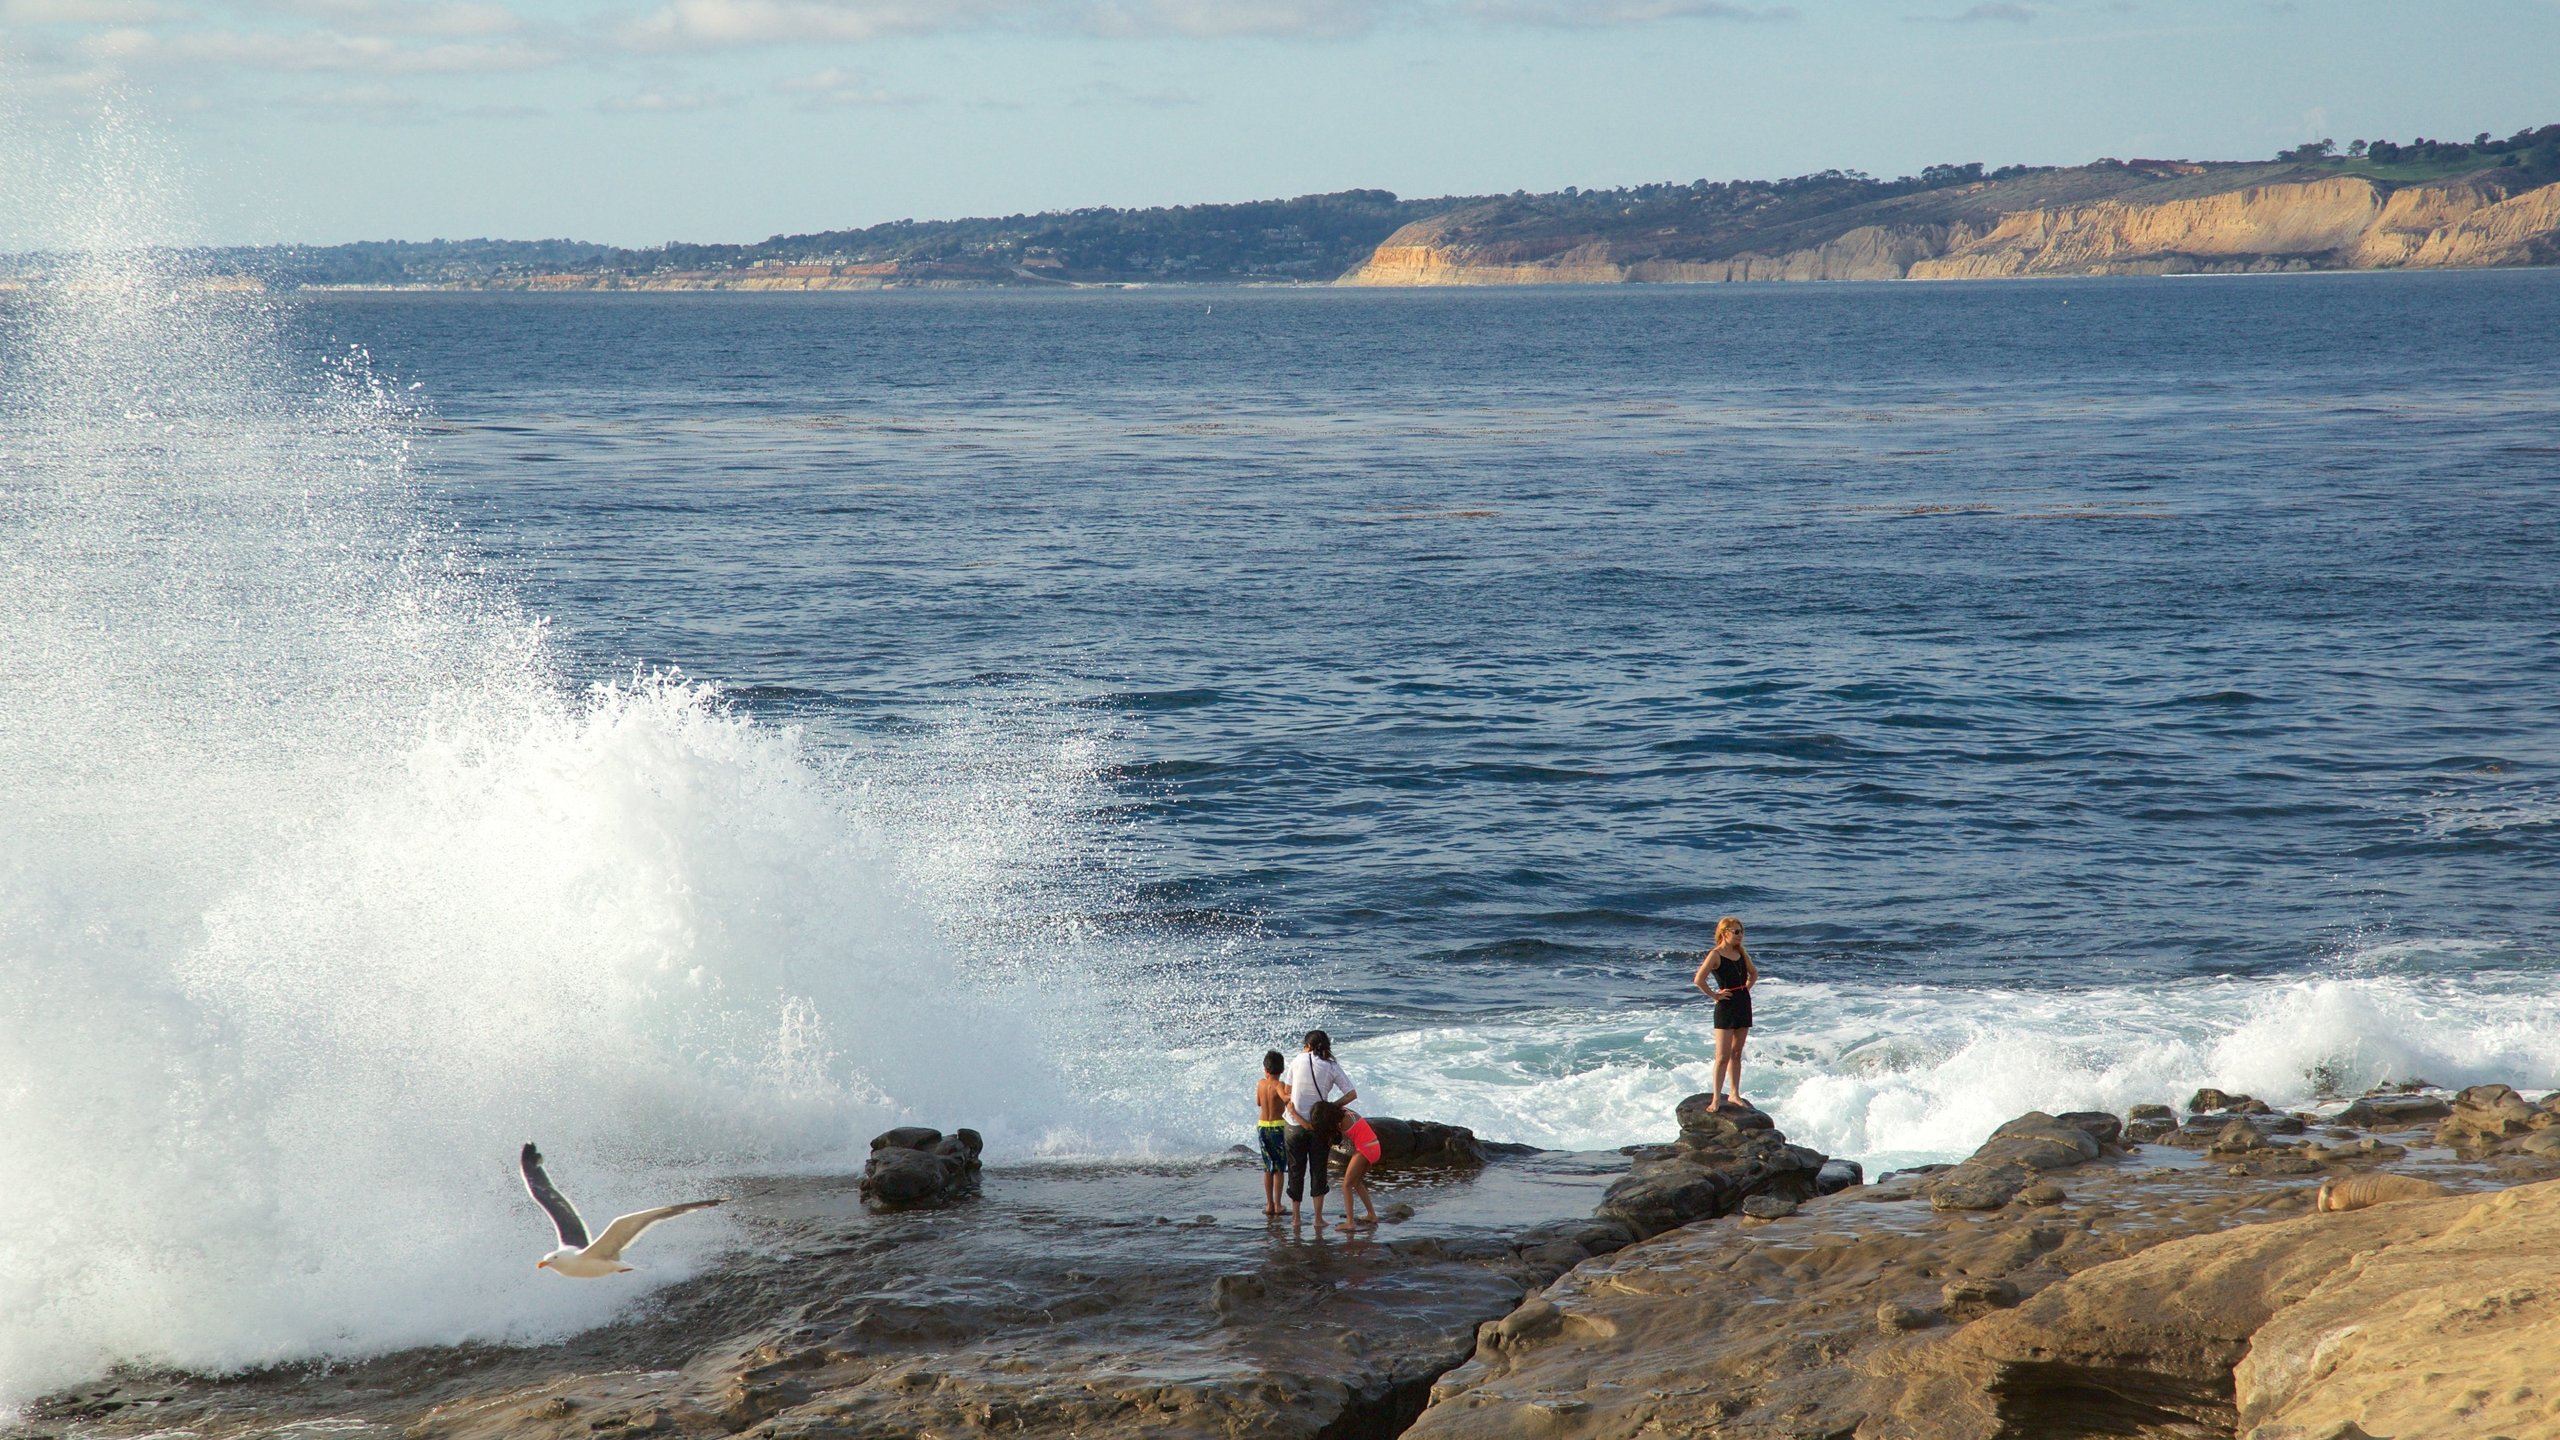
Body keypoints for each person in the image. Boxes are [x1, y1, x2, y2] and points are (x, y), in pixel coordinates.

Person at [1282, 1029, 1355, 1229]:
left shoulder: (1297, 1060)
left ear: (1308, 1046)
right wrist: (1331, 1107)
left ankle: (1296, 1218)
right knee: (1318, 1170)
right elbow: (1351, 1094)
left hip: (1294, 1125)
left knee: (1295, 1170)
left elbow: (1287, 1091)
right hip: (1320, 1127)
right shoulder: (1331, 1066)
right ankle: (1317, 1219)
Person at [1691, 916, 1758, 1113]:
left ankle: (1734, 1094)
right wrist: (1715, 995)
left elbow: (1754, 974)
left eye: (1741, 932)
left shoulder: (1741, 953)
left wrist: (1745, 989)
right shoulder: (1716, 954)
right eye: (1736, 932)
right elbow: (1699, 979)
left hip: (1743, 1003)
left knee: (1737, 1053)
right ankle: (1715, 1099)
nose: (1740, 936)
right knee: (1722, 1056)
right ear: (1724, 933)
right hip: (1726, 1005)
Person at [1329, 1103, 1381, 1232]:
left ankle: (1350, 1222)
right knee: (1356, 1182)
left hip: (1365, 1148)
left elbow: (1336, 1137)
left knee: (1346, 1185)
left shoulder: (1341, 1123)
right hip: (1375, 1145)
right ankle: (1371, 1215)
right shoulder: (1347, 1112)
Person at [1254, 1050, 1290, 1216]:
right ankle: (1278, 1204)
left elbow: (1258, 1102)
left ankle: (1268, 1205)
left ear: (1265, 1069)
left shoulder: (1260, 1083)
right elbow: (1285, 1098)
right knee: (1279, 1168)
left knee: (1268, 1166)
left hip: (1262, 1126)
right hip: (1277, 1128)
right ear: (1281, 1070)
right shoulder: (1279, 1085)